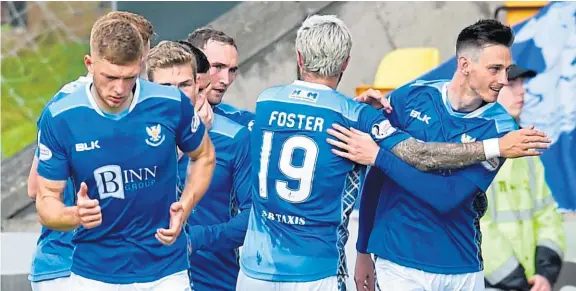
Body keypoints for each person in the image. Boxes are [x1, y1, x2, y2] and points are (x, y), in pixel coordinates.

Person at [237, 15, 550, 291]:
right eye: (495, 69)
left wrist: (377, 154)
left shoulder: (501, 127)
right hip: (396, 263)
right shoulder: (409, 98)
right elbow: (380, 176)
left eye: (506, 70)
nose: (504, 80)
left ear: (299, 57)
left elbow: (447, 196)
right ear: (465, 65)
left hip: (462, 266)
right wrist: (363, 251)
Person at [35, 18, 215, 291]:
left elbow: (204, 155)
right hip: (93, 275)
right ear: (89, 64)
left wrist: (186, 205)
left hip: (166, 272)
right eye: (110, 77)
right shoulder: (61, 117)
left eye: (129, 78)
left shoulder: (170, 103)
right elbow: (45, 200)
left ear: (141, 66)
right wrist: (75, 215)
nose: (119, 89)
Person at [26, 11, 155, 291]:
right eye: (140, 61)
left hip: (115, 266)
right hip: (71, 264)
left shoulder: (141, 107)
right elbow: (36, 189)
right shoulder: (70, 107)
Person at [147, 40, 253, 291]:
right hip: (150, 278)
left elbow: (255, 218)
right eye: (165, 87)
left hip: (216, 281)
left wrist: (198, 238)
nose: (176, 96)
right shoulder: (130, 138)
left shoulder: (233, 138)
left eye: (184, 85)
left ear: (199, 86)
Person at [482, 65, 566, 291]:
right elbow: (477, 226)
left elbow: (547, 214)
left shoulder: (528, 150)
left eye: (522, 84)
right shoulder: (472, 148)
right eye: (512, 85)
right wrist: (516, 281)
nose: (522, 92)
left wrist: (544, 274)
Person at [187, 27, 255, 129]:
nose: (226, 80)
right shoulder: (160, 115)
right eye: (217, 67)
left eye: (232, 70)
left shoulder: (244, 123)